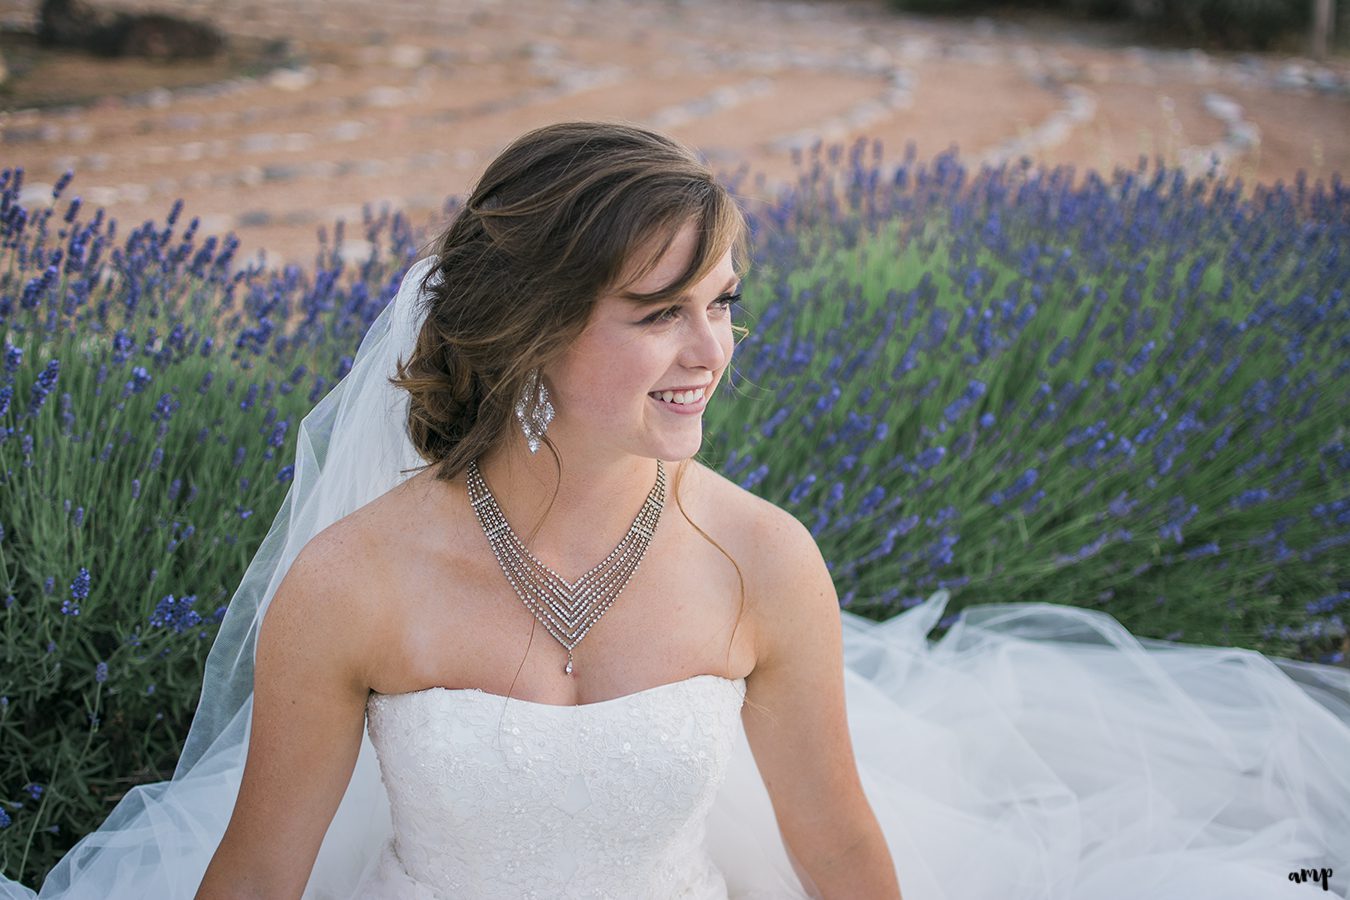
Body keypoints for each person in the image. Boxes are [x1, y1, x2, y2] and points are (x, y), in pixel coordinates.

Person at [3, 120, 1350, 900]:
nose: (709, 349)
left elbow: (834, 846)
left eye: (725, 303)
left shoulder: (759, 559)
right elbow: (255, 882)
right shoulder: (357, 582)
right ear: (528, 331)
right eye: (658, 314)